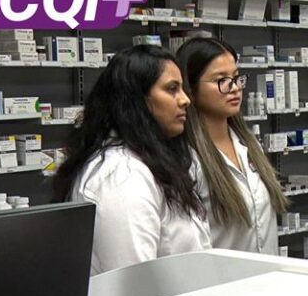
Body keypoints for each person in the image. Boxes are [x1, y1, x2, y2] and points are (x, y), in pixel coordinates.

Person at [53, 45, 211, 276]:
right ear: (136, 100)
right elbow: (132, 283)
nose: (185, 100)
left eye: (182, 89)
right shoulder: (120, 177)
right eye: (171, 89)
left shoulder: (151, 161)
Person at [176, 38, 288, 255]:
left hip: (267, 280)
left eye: (236, 78)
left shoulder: (249, 143)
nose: (235, 87)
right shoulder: (187, 157)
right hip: (221, 283)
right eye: (221, 80)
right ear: (190, 89)